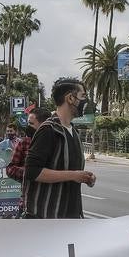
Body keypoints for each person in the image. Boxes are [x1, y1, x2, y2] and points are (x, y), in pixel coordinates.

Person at [22, 80, 96, 219]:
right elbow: (32, 171)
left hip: (70, 216)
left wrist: (85, 177)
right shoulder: (48, 129)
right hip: (47, 218)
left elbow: (71, 169)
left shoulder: (73, 131)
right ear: (70, 98)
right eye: (83, 96)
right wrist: (73, 175)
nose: (86, 102)